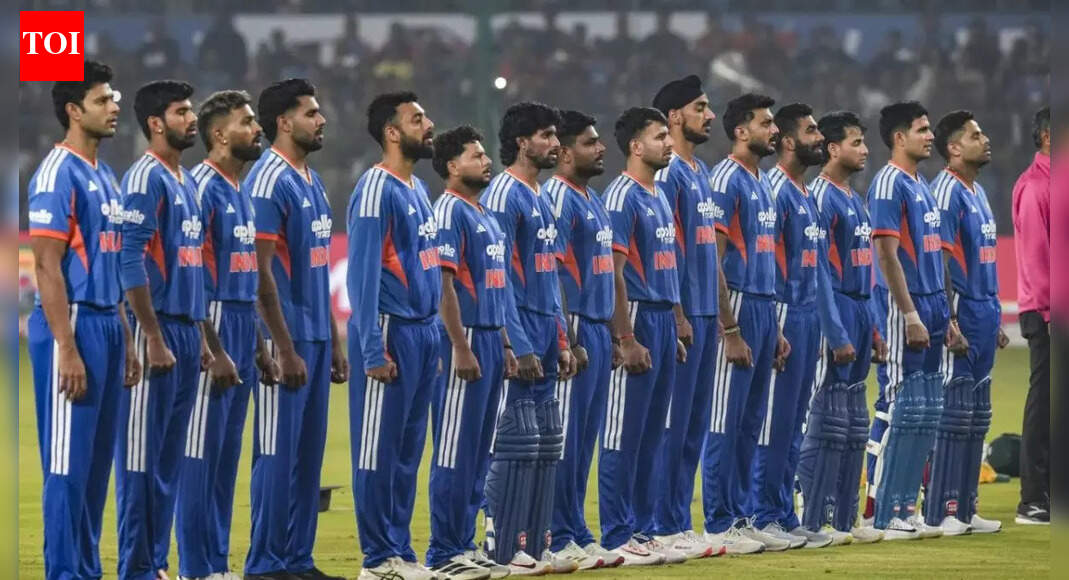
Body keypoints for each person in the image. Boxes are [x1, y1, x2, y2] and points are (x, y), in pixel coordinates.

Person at [27, 60, 139, 580]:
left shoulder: (105, 174)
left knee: (96, 468)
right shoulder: (57, 173)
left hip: (108, 325)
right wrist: (66, 348)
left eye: (113, 98)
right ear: (74, 111)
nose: (114, 107)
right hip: (72, 325)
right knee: (67, 466)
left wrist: (127, 337)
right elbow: (46, 267)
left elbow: (109, 260)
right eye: (102, 100)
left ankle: (87, 570)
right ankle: (64, 572)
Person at [119, 79, 233, 580]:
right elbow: (129, 261)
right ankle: (136, 569)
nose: (191, 119)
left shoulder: (184, 180)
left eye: (191, 111)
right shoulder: (145, 178)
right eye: (181, 112)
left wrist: (203, 338)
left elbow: (192, 266)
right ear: (155, 123)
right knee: (141, 462)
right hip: (158, 331)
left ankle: (156, 565)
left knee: (167, 463)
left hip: (186, 332)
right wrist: (152, 336)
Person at [244, 78, 348, 580]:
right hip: (283, 336)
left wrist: (334, 338)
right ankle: (265, 563)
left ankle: (297, 560)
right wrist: (282, 348)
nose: (321, 120)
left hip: (317, 336)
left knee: (307, 457)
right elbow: (259, 271)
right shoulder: (267, 181)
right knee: (276, 452)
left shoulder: (313, 180)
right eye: (311, 113)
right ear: (284, 122)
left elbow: (318, 265)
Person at [177, 90, 280, 580]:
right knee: (199, 453)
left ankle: (216, 564)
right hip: (211, 321)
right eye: (247, 122)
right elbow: (191, 274)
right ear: (219, 134)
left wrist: (258, 346)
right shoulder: (200, 187)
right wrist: (210, 347)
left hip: (239, 322)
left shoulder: (240, 189)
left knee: (223, 458)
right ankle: (195, 567)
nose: (257, 129)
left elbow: (246, 278)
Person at [348, 92, 442, 580]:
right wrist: (371, 348)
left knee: (407, 453)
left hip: (423, 333)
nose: (428, 125)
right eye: (417, 119)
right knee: (377, 452)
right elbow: (361, 277)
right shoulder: (374, 189)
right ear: (392, 132)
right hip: (390, 329)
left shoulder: (418, 189)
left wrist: (435, 335)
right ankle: (377, 558)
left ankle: (401, 551)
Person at [481, 102, 577, 573]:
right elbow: (497, 275)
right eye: (546, 135)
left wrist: (561, 338)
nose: (556, 144)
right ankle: (500, 542)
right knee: (515, 441)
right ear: (522, 142)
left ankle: (535, 544)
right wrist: (515, 342)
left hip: (544, 329)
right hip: (518, 329)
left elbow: (549, 276)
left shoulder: (540, 196)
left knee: (544, 441)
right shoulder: (504, 194)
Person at [862, 101, 964, 540]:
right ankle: (878, 511)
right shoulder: (888, 184)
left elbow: (933, 256)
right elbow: (886, 255)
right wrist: (908, 314)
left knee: (924, 412)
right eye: (922, 130)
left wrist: (946, 313)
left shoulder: (920, 185)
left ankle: (905, 506)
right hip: (904, 309)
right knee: (897, 407)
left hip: (933, 306)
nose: (930, 137)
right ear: (899, 137)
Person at [700, 93, 790, 554]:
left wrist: (774, 326)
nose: (774, 130)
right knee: (725, 418)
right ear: (741, 131)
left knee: (751, 421)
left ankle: (740, 516)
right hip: (734, 305)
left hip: (762, 304)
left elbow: (765, 259)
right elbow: (712, 260)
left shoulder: (762, 182)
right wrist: (729, 328)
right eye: (765, 123)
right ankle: (719, 523)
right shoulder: (725, 179)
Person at [425, 125, 516, 580]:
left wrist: (505, 342)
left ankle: (464, 543)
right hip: (466, 340)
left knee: (479, 451)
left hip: (490, 339)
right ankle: (443, 551)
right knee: (453, 448)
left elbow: (495, 286)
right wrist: (460, 346)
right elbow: (443, 284)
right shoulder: (448, 212)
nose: (486, 161)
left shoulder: (486, 215)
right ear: (451, 166)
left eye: (484, 154)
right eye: (475, 155)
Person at [599, 107, 685, 566]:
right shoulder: (621, 197)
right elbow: (613, 272)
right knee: (623, 432)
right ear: (636, 146)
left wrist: (677, 320)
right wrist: (625, 337)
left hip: (662, 317)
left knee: (654, 433)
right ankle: (617, 532)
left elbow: (667, 264)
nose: (668, 143)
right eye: (659, 136)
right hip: (635, 315)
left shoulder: (659, 195)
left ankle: (644, 528)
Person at [798, 111, 885, 545]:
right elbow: (818, 274)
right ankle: (811, 511)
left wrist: (874, 327)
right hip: (835, 310)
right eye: (856, 142)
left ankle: (846, 517)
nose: (865, 150)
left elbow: (864, 267)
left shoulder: (854, 197)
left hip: (861, 309)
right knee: (827, 415)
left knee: (853, 419)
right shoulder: (821, 197)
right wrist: (835, 331)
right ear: (833, 149)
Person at [751, 103, 833, 550]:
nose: (819, 138)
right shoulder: (776, 190)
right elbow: (765, 260)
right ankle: (762, 513)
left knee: (794, 421)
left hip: (807, 314)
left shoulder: (805, 192)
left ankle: (783, 512)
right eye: (811, 130)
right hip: (782, 311)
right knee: (773, 421)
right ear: (787, 141)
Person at [544, 110, 623, 569]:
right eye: (590, 142)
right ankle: (557, 533)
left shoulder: (593, 198)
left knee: (585, 438)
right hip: (574, 324)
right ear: (565, 152)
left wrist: (612, 332)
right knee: (567, 440)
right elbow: (552, 272)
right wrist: (565, 336)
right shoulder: (558, 197)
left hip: (596, 325)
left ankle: (575, 528)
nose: (600, 148)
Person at [647, 75, 721, 559]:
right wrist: (677, 314)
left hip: (708, 311)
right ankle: (663, 523)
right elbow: (665, 250)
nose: (709, 115)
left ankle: (678, 521)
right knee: (672, 425)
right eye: (700, 107)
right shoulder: (669, 172)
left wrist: (725, 319)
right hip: (685, 311)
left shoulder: (701, 171)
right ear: (674, 117)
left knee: (694, 425)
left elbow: (708, 249)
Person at [925, 110, 1008, 535]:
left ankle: (967, 505)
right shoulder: (946, 192)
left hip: (984, 312)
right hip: (960, 312)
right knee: (954, 413)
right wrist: (949, 317)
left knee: (977, 415)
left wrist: (995, 316)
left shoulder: (978, 192)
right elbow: (937, 259)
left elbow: (983, 259)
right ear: (954, 148)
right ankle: (943, 508)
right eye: (976, 135)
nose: (986, 139)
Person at [1011, 106, 1050, 525]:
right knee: (1045, 403)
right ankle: (1033, 499)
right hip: (1048, 312)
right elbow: (1038, 258)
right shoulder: (1036, 186)